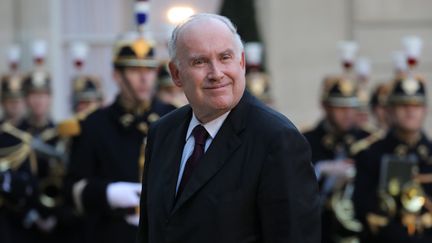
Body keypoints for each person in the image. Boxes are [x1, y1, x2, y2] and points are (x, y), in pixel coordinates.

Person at [137, 13, 320, 243]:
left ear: (241, 62)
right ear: (176, 73)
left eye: (225, 58)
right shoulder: (162, 132)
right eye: (200, 61)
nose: (216, 73)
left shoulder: (277, 140)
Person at [66, 30, 176, 243]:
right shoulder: (94, 124)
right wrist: (108, 193)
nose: (144, 78)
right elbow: (71, 189)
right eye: (134, 69)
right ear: (117, 75)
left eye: (150, 70)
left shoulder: (174, 117)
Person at [353, 76, 432, 243]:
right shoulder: (371, 154)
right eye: (403, 105)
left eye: (416, 105)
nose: (410, 111)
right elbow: (366, 209)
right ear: (389, 110)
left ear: (425, 110)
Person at [303, 76, 370, 243]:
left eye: (352, 107)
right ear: (326, 107)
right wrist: (320, 169)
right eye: (340, 107)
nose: (347, 114)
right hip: (321, 230)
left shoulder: (368, 140)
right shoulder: (307, 141)